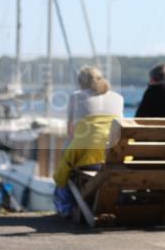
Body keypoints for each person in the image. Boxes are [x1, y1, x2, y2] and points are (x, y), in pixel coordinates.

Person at [53, 66, 124, 216]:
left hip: (88, 156)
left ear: (80, 83)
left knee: (66, 167)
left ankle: (66, 208)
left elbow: (70, 132)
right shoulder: (118, 98)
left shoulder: (76, 96)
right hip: (115, 156)